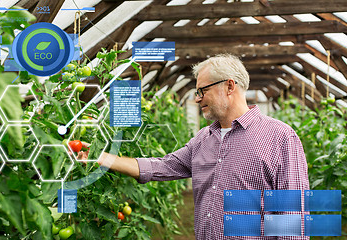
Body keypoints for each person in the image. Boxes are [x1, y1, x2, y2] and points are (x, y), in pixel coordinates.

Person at [79, 54, 310, 239]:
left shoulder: (280, 137)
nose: (198, 98)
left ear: (229, 86)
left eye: (202, 91)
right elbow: (161, 166)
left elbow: (293, 217)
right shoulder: (203, 139)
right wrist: (101, 158)